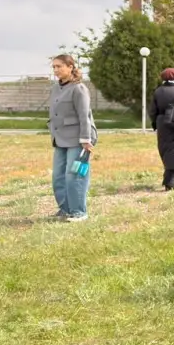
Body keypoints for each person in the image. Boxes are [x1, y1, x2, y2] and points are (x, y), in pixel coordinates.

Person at [48, 54, 98, 222]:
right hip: (60, 138)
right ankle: (65, 209)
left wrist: (86, 139)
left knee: (74, 175)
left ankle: (79, 212)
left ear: (70, 67)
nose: (56, 70)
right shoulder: (55, 88)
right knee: (58, 177)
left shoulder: (79, 88)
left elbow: (85, 116)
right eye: (54, 67)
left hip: (78, 139)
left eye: (59, 66)